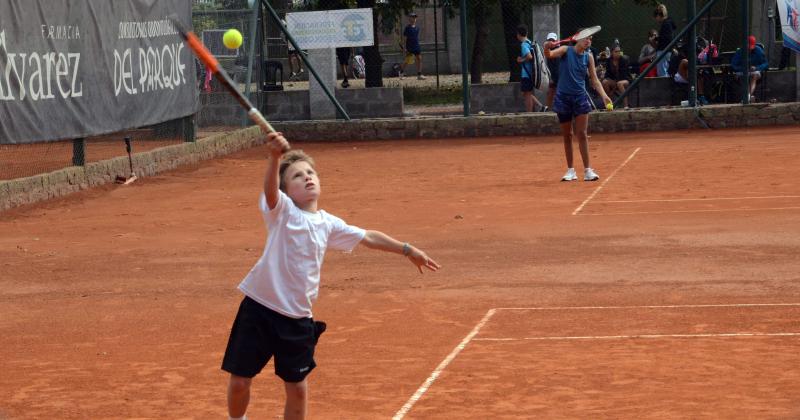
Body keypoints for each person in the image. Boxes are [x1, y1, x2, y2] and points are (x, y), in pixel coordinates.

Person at [222, 132, 441, 420]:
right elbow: (271, 191)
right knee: (239, 382)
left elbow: (368, 237)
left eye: (311, 172)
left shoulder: (327, 223)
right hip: (259, 309)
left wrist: (406, 248)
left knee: (298, 389)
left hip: (298, 317)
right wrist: (274, 157)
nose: (308, 177)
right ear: (287, 190)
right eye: (298, 176)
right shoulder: (282, 212)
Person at [544, 30, 612, 182]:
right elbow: (549, 55)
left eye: (591, 39)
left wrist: (604, 96)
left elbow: (594, 80)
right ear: (578, 39)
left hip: (580, 98)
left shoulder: (588, 57)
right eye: (586, 38)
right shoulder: (565, 50)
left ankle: (588, 170)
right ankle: (570, 170)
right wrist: (546, 47)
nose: (589, 41)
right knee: (567, 135)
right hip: (563, 98)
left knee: (581, 133)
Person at [515, 25, 545, 113]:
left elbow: (529, 56)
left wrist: (521, 60)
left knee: (527, 95)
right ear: (526, 33)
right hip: (531, 72)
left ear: (518, 35)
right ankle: (541, 106)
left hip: (526, 74)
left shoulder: (524, 45)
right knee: (526, 93)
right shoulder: (529, 42)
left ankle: (529, 114)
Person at [731, 35, 768, 102]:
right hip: (742, 72)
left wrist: (756, 67)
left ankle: (747, 97)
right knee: (743, 77)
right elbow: (733, 65)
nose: (750, 49)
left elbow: (765, 64)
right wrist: (743, 68)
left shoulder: (759, 51)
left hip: (754, 72)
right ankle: (749, 97)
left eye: (751, 47)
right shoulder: (740, 52)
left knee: (754, 76)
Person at [399, 12, 425, 80]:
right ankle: (401, 73)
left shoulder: (417, 28)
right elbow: (404, 39)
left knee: (419, 59)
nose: (414, 18)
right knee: (407, 61)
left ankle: (419, 75)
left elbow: (416, 37)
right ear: (409, 18)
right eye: (412, 17)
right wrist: (404, 48)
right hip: (409, 47)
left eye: (415, 17)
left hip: (416, 46)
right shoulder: (407, 28)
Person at [653, 4, 676, 77]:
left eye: (656, 17)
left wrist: (657, 38)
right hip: (666, 50)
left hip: (663, 50)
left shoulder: (666, 24)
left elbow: (667, 38)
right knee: (665, 71)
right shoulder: (668, 23)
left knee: (662, 73)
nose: (656, 19)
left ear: (659, 16)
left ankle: (664, 88)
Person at [545, 32, 561, 110]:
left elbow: (558, 66)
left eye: (553, 40)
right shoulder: (547, 50)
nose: (551, 42)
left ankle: (558, 109)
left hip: (559, 76)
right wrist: (550, 77)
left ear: (556, 40)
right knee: (550, 93)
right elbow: (548, 66)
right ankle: (548, 109)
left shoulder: (559, 50)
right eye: (549, 40)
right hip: (553, 76)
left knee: (558, 93)